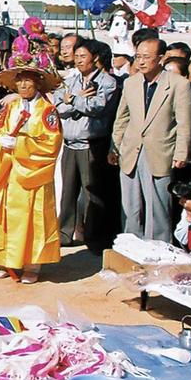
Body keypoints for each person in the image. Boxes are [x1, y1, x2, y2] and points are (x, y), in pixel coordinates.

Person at [0, 39, 63, 283]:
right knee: (5, 217)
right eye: (20, 79)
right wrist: (0, 142)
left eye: (29, 79)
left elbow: (51, 143)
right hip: (9, 172)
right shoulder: (10, 106)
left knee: (33, 219)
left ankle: (31, 265)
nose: (24, 84)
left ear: (38, 82)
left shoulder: (47, 111)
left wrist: (20, 144)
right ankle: (4, 260)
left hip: (32, 173)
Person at [110, 37, 191, 242]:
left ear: (161, 58)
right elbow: (122, 118)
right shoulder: (131, 83)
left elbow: (185, 122)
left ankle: (157, 250)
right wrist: (114, 147)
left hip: (160, 152)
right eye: (138, 56)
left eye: (146, 57)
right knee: (130, 207)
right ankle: (130, 248)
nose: (141, 62)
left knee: (158, 206)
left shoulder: (178, 84)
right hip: (131, 150)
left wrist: (181, 152)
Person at [53, 39, 118, 251]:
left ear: (95, 58)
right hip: (70, 143)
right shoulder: (71, 80)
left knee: (93, 195)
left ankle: (94, 238)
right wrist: (77, 100)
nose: (79, 61)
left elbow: (97, 107)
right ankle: (64, 232)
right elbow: (57, 106)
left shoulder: (107, 82)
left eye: (83, 56)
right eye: (77, 56)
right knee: (68, 191)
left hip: (92, 144)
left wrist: (72, 101)